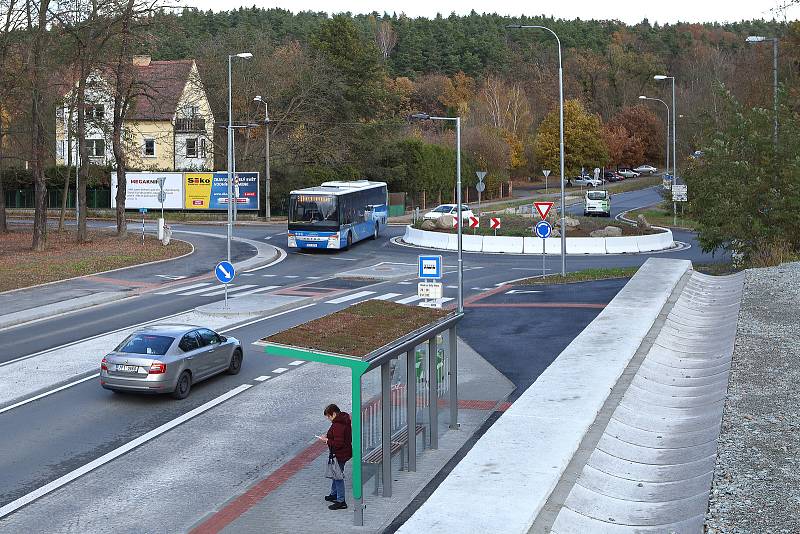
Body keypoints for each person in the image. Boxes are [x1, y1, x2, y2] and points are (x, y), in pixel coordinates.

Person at [318, 403, 352, 510]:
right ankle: (334, 494)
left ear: (333, 413)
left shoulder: (338, 425)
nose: (328, 419)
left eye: (328, 416)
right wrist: (328, 436)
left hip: (340, 454)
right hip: (344, 452)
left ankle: (341, 501)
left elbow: (338, 443)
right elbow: (337, 435)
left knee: (338, 477)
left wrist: (327, 440)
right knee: (335, 473)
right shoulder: (342, 420)